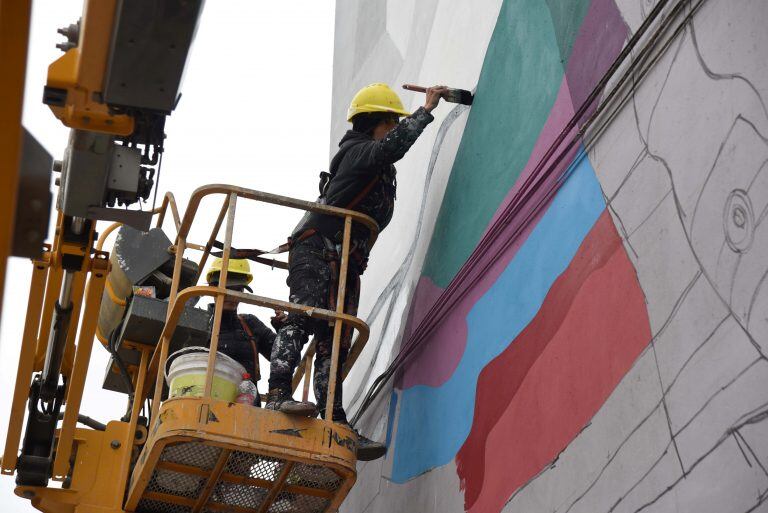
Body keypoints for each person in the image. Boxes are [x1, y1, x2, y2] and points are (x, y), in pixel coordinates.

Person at [265, 83, 446, 461]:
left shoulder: (375, 165)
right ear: (374, 123)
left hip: (346, 260)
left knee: (336, 339)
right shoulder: (359, 152)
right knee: (304, 316)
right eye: (391, 121)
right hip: (316, 249)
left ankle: (334, 419)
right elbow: (390, 147)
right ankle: (278, 395)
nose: (394, 127)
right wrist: (424, 111)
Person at [205, 257, 284, 406]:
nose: (233, 295)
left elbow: (284, 358)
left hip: (247, 411)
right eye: (227, 287)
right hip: (207, 408)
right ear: (212, 288)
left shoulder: (250, 324)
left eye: (238, 289)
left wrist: (283, 330)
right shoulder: (199, 325)